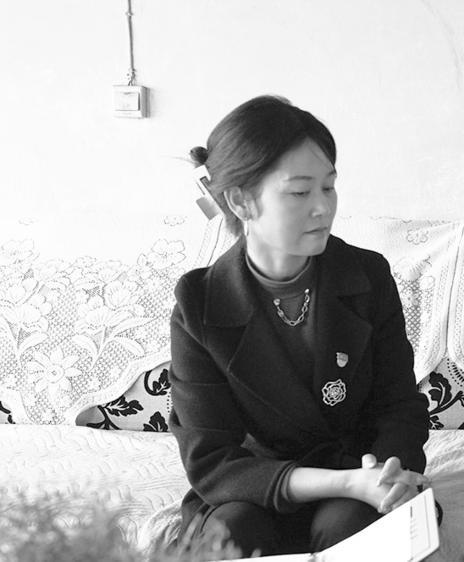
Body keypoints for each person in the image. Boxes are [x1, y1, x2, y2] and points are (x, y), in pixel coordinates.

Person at [168, 95, 431, 556]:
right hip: (255, 487)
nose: (322, 207)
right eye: (299, 192)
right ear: (240, 201)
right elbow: (211, 458)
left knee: (352, 527)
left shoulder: (367, 276)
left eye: (328, 187)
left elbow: (398, 406)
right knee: (230, 535)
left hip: (358, 472)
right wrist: (344, 482)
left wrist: (389, 474)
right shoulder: (199, 303)